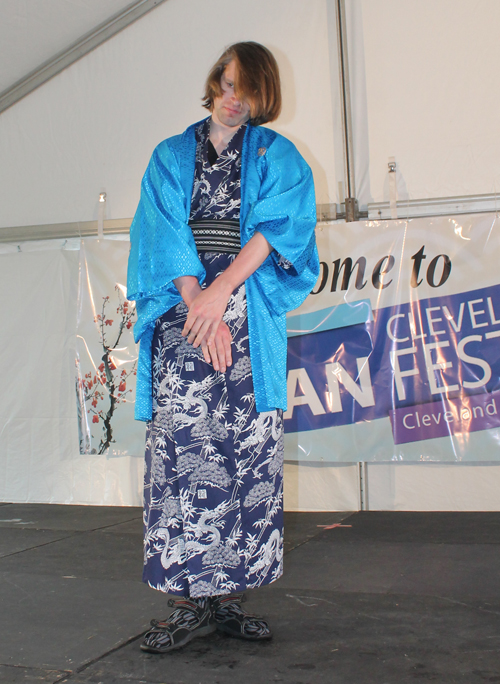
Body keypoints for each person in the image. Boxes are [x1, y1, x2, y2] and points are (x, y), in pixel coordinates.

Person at [127, 41, 319, 654]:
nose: (237, 101)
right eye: (230, 85)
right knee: (183, 450)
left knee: (246, 449)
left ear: (265, 99)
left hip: (245, 305)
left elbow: (280, 227)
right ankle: (187, 601)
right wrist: (197, 301)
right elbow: (161, 231)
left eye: (251, 92)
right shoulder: (169, 155)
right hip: (185, 315)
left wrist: (222, 294)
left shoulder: (276, 155)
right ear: (214, 82)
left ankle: (230, 600)